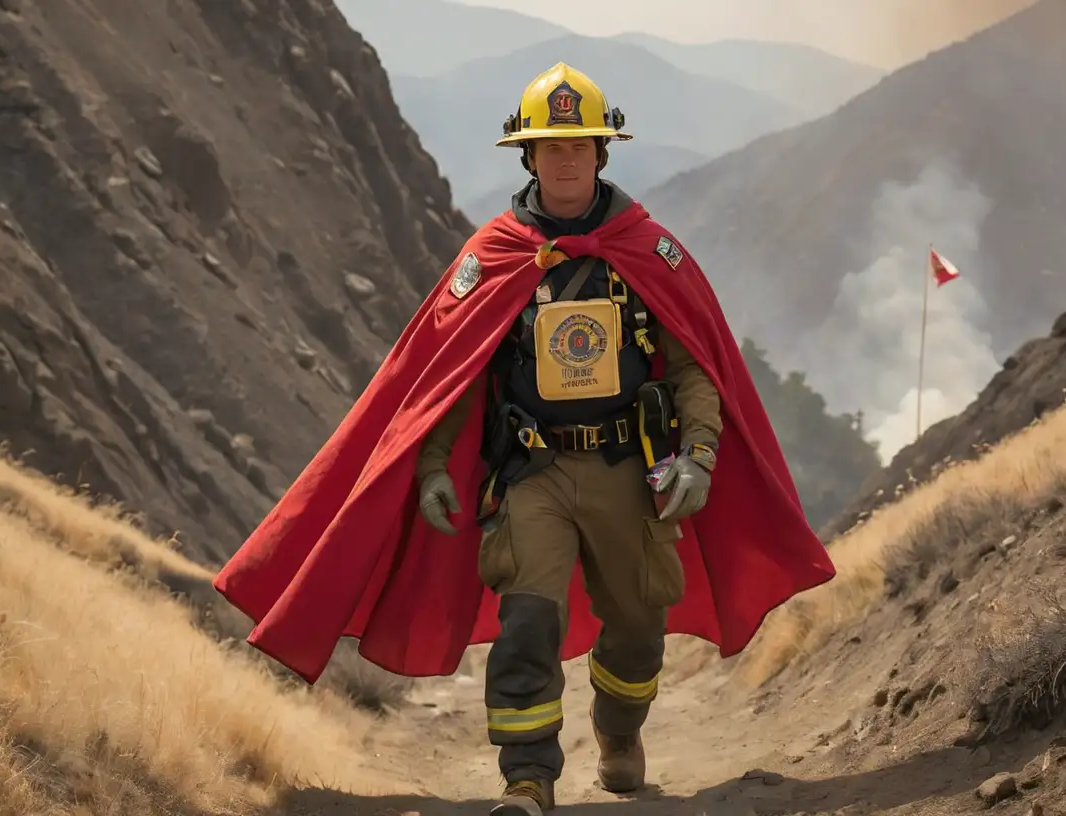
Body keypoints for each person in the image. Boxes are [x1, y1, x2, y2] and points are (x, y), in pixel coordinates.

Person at [212, 62, 836, 816]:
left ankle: (619, 732)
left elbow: (693, 370)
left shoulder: (651, 254)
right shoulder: (494, 255)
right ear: (528, 156)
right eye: (549, 145)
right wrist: (436, 467)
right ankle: (528, 779)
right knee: (529, 620)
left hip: (629, 473)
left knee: (640, 626)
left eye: (578, 144)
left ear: (602, 154)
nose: (565, 157)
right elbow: (450, 374)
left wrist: (700, 457)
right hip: (532, 474)